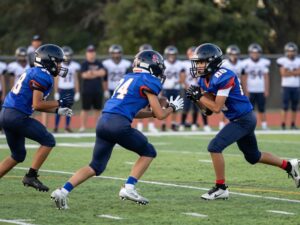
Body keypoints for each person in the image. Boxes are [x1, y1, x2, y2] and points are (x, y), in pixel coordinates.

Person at [50, 50, 184, 209]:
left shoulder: (128, 78)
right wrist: (172, 108)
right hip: (118, 125)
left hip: (104, 122)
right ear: (152, 66)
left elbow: (135, 112)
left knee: (95, 166)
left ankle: (63, 191)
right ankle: (129, 188)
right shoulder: (148, 80)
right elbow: (162, 115)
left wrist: (152, 113)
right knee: (149, 152)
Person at [186, 43, 300, 200]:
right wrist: (197, 100)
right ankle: (289, 165)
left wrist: (200, 97)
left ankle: (221, 188)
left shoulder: (224, 76)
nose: (197, 66)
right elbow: (208, 111)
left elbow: (217, 107)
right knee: (253, 157)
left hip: (243, 120)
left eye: (201, 62)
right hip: (240, 119)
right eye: (197, 63)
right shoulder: (204, 80)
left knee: (214, 147)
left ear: (212, 62)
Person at [0, 44, 73, 192]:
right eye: (58, 62)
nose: (60, 66)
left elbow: (37, 105)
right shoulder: (43, 76)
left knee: (18, 155)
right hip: (17, 116)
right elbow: (38, 104)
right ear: (49, 61)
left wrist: (58, 110)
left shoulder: (34, 71)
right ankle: (31, 176)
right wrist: (59, 102)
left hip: (6, 114)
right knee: (48, 140)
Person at [180, 46, 211, 132]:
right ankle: (182, 124)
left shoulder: (200, 63)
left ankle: (198, 124)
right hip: (188, 88)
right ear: (188, 55)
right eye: (191, 53)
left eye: (194, 53)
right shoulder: (184, 64)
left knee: (200, 107)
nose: (193, 55)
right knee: (186, 107)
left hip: (198, 88)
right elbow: (182, 78)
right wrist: (188, 88)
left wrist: (202, 88)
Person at [241, 43, 270, 130]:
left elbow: (266, 77)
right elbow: (244, 77)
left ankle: (264, 125)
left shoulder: (264, 62)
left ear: (259, 53)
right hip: (250, 89)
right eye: (253, 53)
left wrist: (266, 89)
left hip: (260, 89)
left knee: (262, 108)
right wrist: (245, 90)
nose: (255, 54)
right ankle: (250, 125)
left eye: (257, 53)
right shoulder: (245, 63)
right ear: (250, 53)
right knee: (249, 109)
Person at [79, 45, 107, 132]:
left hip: (98, 90)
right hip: (87, 90)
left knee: (98, 109)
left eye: (93, 52)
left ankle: (97, 126)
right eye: (89, 52)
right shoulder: (84, 64)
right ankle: (83, 126)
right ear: (87, 53)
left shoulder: (99, 63)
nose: (91, 54)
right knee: (85, 109)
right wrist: (96, 73)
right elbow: (84, 75)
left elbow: (103, 73)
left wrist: (91, 73)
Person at [53, 46, 81, 133]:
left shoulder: (74, 66)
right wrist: (56, 91)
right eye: (65, 56)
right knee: (60, 108)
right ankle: (56, 126)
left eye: (68, 56)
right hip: (62, 89)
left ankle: (67, 127)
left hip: (70, 89)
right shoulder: (58, 65)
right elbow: (56, 79)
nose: (67, 57)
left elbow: (76, 79)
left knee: (68, 109)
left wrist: (77, 92)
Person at [219, 45, 244, 130]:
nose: (234, 56)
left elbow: (243, 76)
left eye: (236, 54)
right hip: (227, 87)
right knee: (224, 105)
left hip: (237, 87)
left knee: (236, 105)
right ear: (229, 54)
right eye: (232, 54)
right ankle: (221, 123)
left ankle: (234, 122)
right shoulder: (224, 64)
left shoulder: (241, 64)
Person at [135, 44, 159, 133]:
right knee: (140, 105)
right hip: (140, 86)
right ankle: (140, 124)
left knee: (152, 105)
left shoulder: (154, 63)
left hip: (150, 85)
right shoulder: (136, 63)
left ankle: (151, 125)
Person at [276, 42, 300, 130]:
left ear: (295, 52)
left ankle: (293, 124)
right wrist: (295, 72)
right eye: (289, 51)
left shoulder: (298, 60)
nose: (291, 53)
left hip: (296, 86)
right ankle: (283, 124)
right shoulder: (282, 60)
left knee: (295, 107)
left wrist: (288, 72)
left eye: (293, 51)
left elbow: (298, 72)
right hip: (286, 86)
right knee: (284, 106)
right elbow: (283, 74)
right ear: (286, 51)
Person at [162, 45, 185, 131]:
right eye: (170, 54)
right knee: (164, 106)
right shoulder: (163, 63)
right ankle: (163, 123)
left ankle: (173, 124)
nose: (172, 56)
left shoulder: (179, 64)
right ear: (167, 55)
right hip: (165, 88)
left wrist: (176, 82)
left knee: (175, 106)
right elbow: (159, 76)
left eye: (173, 54)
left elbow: (183, 76)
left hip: (175, 88)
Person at [27, 35, 48, 126]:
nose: (37, 42)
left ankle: (44, 125)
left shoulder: (44, 51)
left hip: (42, 79)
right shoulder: (30, 52)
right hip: (32, 79)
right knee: (32, 103)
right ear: (32, 42)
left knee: (43, 102)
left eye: (38, 40)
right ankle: (31, 124)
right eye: (35, 41)